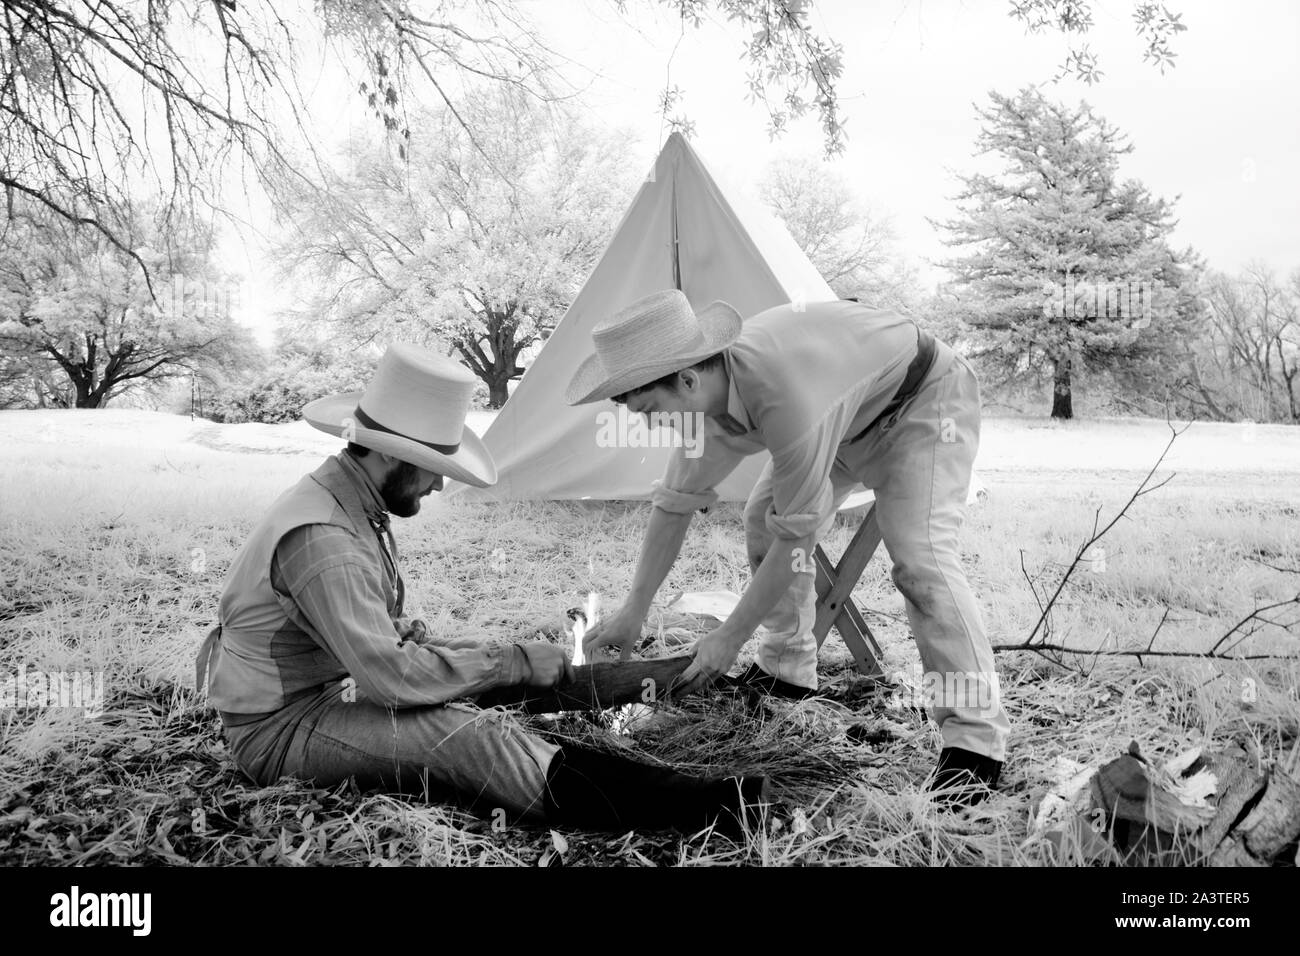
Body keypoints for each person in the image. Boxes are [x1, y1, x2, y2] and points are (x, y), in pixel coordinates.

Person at [195, 342, 769, 833]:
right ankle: (706, 805)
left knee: (491, 663)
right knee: (469, 732)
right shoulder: (324, 539)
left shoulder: (351, 504)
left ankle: (678, 677)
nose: (441, 484)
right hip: (283, 727)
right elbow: (392, 678)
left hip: (337, 685)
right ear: (391, 455)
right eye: (431, 465)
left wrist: (496, 658)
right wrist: (509, 662)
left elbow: (388, 643)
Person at [570, 290, 1009, 804]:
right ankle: (787, 672)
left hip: (921, 406)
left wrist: (729, 637)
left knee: (920, 562)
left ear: (687, 380)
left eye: (648, 410)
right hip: (844, 418)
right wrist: (633, 611)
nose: (647, 423)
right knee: (761, 519)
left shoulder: (785, 396)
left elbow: (797, 541)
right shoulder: (705, 408)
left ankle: (976, 744)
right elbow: (673, 506)